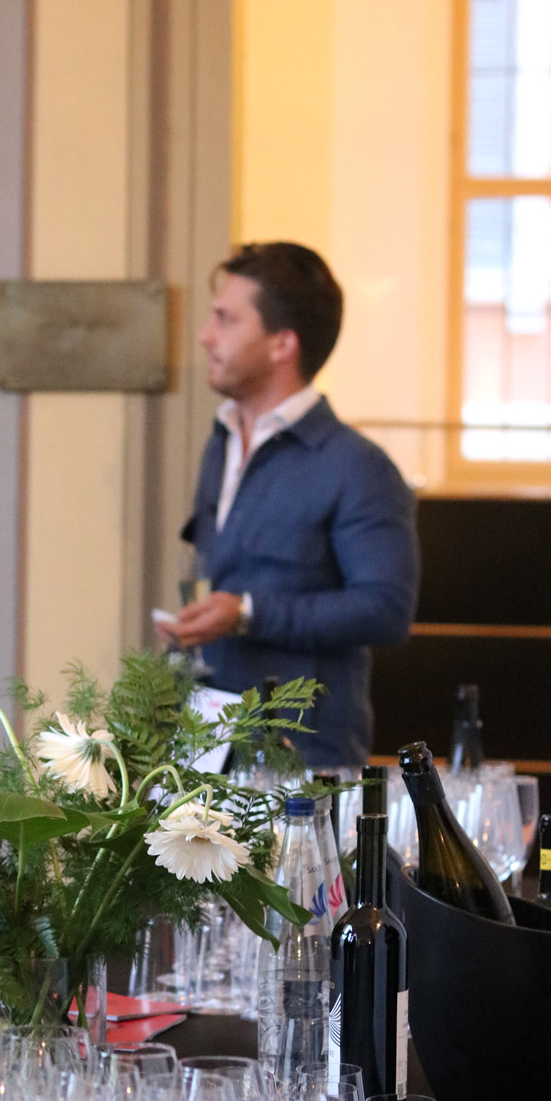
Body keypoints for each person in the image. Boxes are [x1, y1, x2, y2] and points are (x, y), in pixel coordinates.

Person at [157, 241, 418, 767]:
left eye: (226, 320)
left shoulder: (357, 465)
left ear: (282, 344)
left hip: (303, 758)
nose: (206, 336)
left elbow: (387, 610)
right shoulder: (220, 441)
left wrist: (247, 613)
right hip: (207, 742)